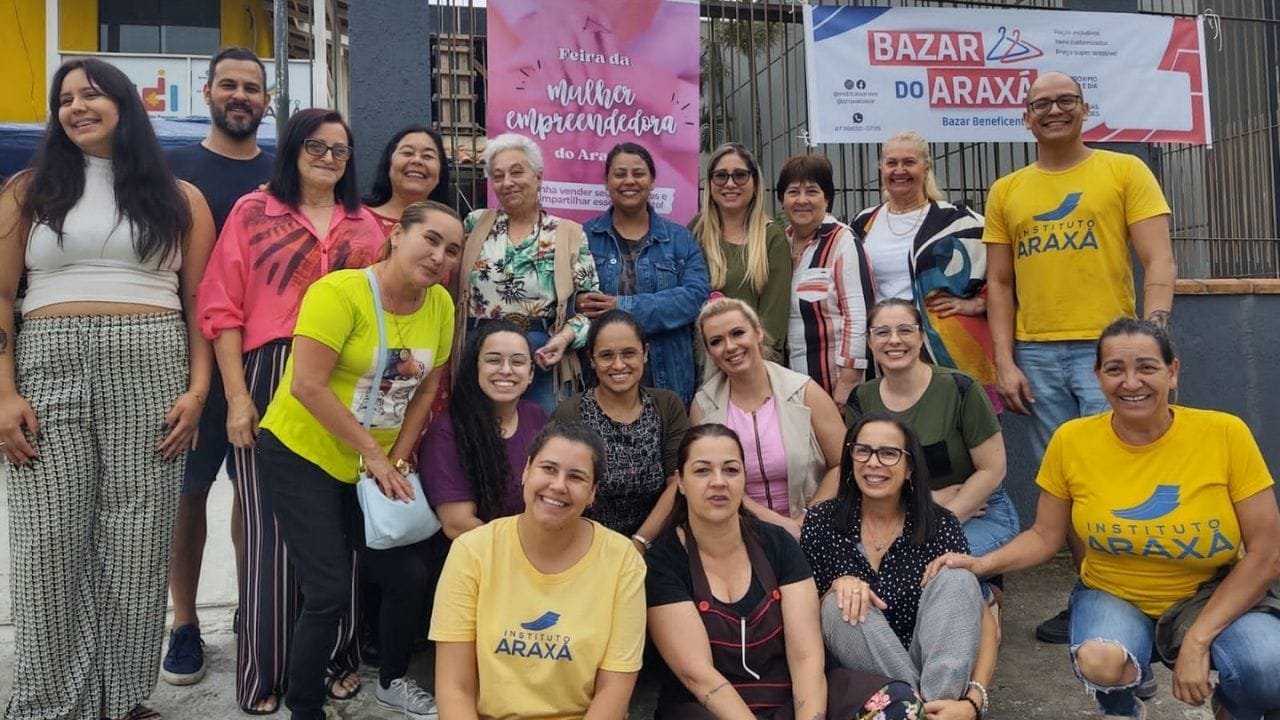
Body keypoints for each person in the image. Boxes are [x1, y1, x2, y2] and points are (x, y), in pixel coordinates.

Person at [0, 57, 215, 720]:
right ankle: (47, 703)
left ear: (124, 104)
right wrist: (3, 393)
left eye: (91, 94)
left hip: (153, 368)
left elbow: (201, 304)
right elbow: (1, 296)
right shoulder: (28, 191)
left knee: (136, 542)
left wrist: (198, 390)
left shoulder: (180, 198)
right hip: (46, 365)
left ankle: (119, 698)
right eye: (65, 99)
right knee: (46, 543)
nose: (77, 107)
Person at [925, 319, 1280, 720]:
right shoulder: (1072, 440)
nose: (1131, 382)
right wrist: (980, 564)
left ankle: (1234, 704)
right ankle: (1122, 708)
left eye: (1146, 367)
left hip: (1208, 592)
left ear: (1173, 372)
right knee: (1100, 660)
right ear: (1098, 376)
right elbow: (1044, 535)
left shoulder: (1224, 434)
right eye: (1115, 369)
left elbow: (1266, 554)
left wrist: (1197, 641)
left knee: (1268, 668)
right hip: (1114, 592)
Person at [197, 107, 384, 714]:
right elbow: (220, 308)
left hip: (346, 379)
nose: (328, 158)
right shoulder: (254, 212)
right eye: (316, 146)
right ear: (294, 150)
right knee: (269, 530)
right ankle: (265, 670)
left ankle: (334, 660)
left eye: (339, 150)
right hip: (271, 370)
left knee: (342, 524)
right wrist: (237, 397)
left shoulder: (366, 226)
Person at [983, 70, 1177, 644]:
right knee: (1068, 482)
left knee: (1130, 472)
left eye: (1065, 100)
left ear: (1085, 108)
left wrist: (1152, 341)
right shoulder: (1007, 190)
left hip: (1111, 354)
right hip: (1037, 355)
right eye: (1041, 104)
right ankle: (1094, 595)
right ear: (1026, 118)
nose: (1054, 110)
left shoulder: (1125, 171)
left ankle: (1152, 598)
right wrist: (1004, 361)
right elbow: (999, 284)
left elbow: (1159, 260)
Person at [255, 200, 462, 720]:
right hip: (304, 452)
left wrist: (397, 457)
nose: (439, 256)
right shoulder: (339, 292)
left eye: (452, 249)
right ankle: (305, 706)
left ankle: (393, 681)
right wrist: (375, 455)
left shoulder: (440, 305)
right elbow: (307, 385)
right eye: (430, 239)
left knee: (407, 577)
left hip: (374, 463)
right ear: (396, 236)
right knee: (327, 590)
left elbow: (426, 389)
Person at [645, 423, 923, 719]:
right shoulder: (663, 561)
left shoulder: (777, 544)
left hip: (791, 699)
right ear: (681, 482)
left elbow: (806, 658)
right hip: (711, 708)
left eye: (731, 470)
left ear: (744, 478)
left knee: (898, 703)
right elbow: (698, 676)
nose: (718, 482)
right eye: (702, 471)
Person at [162, 46, 275, 687]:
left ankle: (248, 606)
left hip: (267, 359)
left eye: (251, 88)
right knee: (189, 493)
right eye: (228, 85)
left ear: (266, 101)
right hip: (187, 361)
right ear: (206, 91)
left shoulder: (283, 173)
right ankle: (184, 623)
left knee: (254, 495)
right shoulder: (174, 171)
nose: (240, 96)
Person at [430, 421, 647, 719]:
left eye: (576, 477)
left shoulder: (622, 561)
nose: (558, 485)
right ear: (526, 471)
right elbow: (455, 687)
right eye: (548, 469)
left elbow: (614, 689)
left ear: (593, 493)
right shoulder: (473, 550)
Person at [802, 414, 997, 718]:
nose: (873, 462)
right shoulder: (821, 522)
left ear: (910, 468)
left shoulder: (940, 525)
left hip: (936, 674)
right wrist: (833, 590)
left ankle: (930, 710)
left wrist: (974, 701)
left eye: (889, 453)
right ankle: (917, 712)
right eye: (863, 451)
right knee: (838, 604)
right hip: (865, 686)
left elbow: (979, 619)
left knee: (959, 579)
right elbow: (799, 622)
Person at [846, 299, 1018, 569]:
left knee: (924, 565)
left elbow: (993, 469)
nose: (894, 340)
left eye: (905, 330)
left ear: (921, 336)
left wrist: (939, 520)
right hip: (898, 513)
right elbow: (861, 474)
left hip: (974, 509)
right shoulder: (862, 399)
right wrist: (927, 501)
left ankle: (983, 590)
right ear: (869, 341)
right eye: (882, 332)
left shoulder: (960, 388)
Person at [849, 130, 999, 408]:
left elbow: (1004, 266)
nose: (900, 170)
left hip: (942, 349)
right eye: (891, 163)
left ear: (926, 168)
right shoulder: (864, 222)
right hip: (885, 346)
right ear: (881, 168)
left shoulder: (957, 220)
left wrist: (979, 302)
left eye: (909, 162)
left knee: (951, 420)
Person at [457, 132, 600, 412]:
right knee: (476, 429)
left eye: (517, 172)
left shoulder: (568, 234)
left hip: (542, 356)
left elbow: (592, 310)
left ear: (538, 177)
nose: (507, 182)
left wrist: (563, 339)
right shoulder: (475, 224)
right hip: (480, 354)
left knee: (543, 434)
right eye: (498, 176)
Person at [691, 298, 844, 539]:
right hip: (740, 532)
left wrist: (807, 520)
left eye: (738, 333)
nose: (730, 346)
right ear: (709, 352)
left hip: (813, 528)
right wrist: (777, 524)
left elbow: (842, 463)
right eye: (716, 341)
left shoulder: (805, 392)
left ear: (758, 333)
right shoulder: (703, 406)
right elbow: (705, 478)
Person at [582, 142, 710, 406]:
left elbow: (695, 297)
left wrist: (623, 307)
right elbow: (563, 295)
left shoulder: (680, 239)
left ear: (652, 181)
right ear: (606, 182)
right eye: (620, 174)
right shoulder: (583, 237)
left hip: (669, 379)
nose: (629, 181)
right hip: (601, 381)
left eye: (638, 173)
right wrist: (576, 302)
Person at [552, 309, 689, 546]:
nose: (618, 365)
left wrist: (640, 542)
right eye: (606, 355)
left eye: (629, 353)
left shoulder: (668, 406)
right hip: (587, 544)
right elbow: (562, 490)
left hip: (656, 542)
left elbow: (678, 482)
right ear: (592, 360)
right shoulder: (570, 414)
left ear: (645, 353)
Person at [420, 320, 548, 539]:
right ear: (475, 368)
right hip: (479, 553)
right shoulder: (448, 433)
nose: (506, 370)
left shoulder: (536, 417)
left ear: (531, 374)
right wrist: (528, 550)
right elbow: (458, 525)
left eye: (518, 362)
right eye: (493, 360)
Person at [777, 153, 874, 408]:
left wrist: (848, 382)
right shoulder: (780, 242)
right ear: (782, 200)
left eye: (812, 191)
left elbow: (858, 315)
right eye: (793, 192)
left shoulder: (842, 241)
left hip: (834, 382)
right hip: (791, 383)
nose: (802, 200)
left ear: (827, 198)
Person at [690, 143, 791, 355]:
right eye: (721, 176)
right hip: (701, 362)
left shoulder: (772, 237)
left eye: (740, 175)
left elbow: (773, 324)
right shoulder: (694, 232)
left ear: (755, 184)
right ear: (710, 183)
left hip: (754, 361)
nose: (730, 184)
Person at [363, 124, 451, 235]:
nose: (417, 160)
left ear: (440, 171)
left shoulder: (450, 232)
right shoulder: (354, 218)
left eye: (427, 156)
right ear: (389, 164)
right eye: (407, 153)